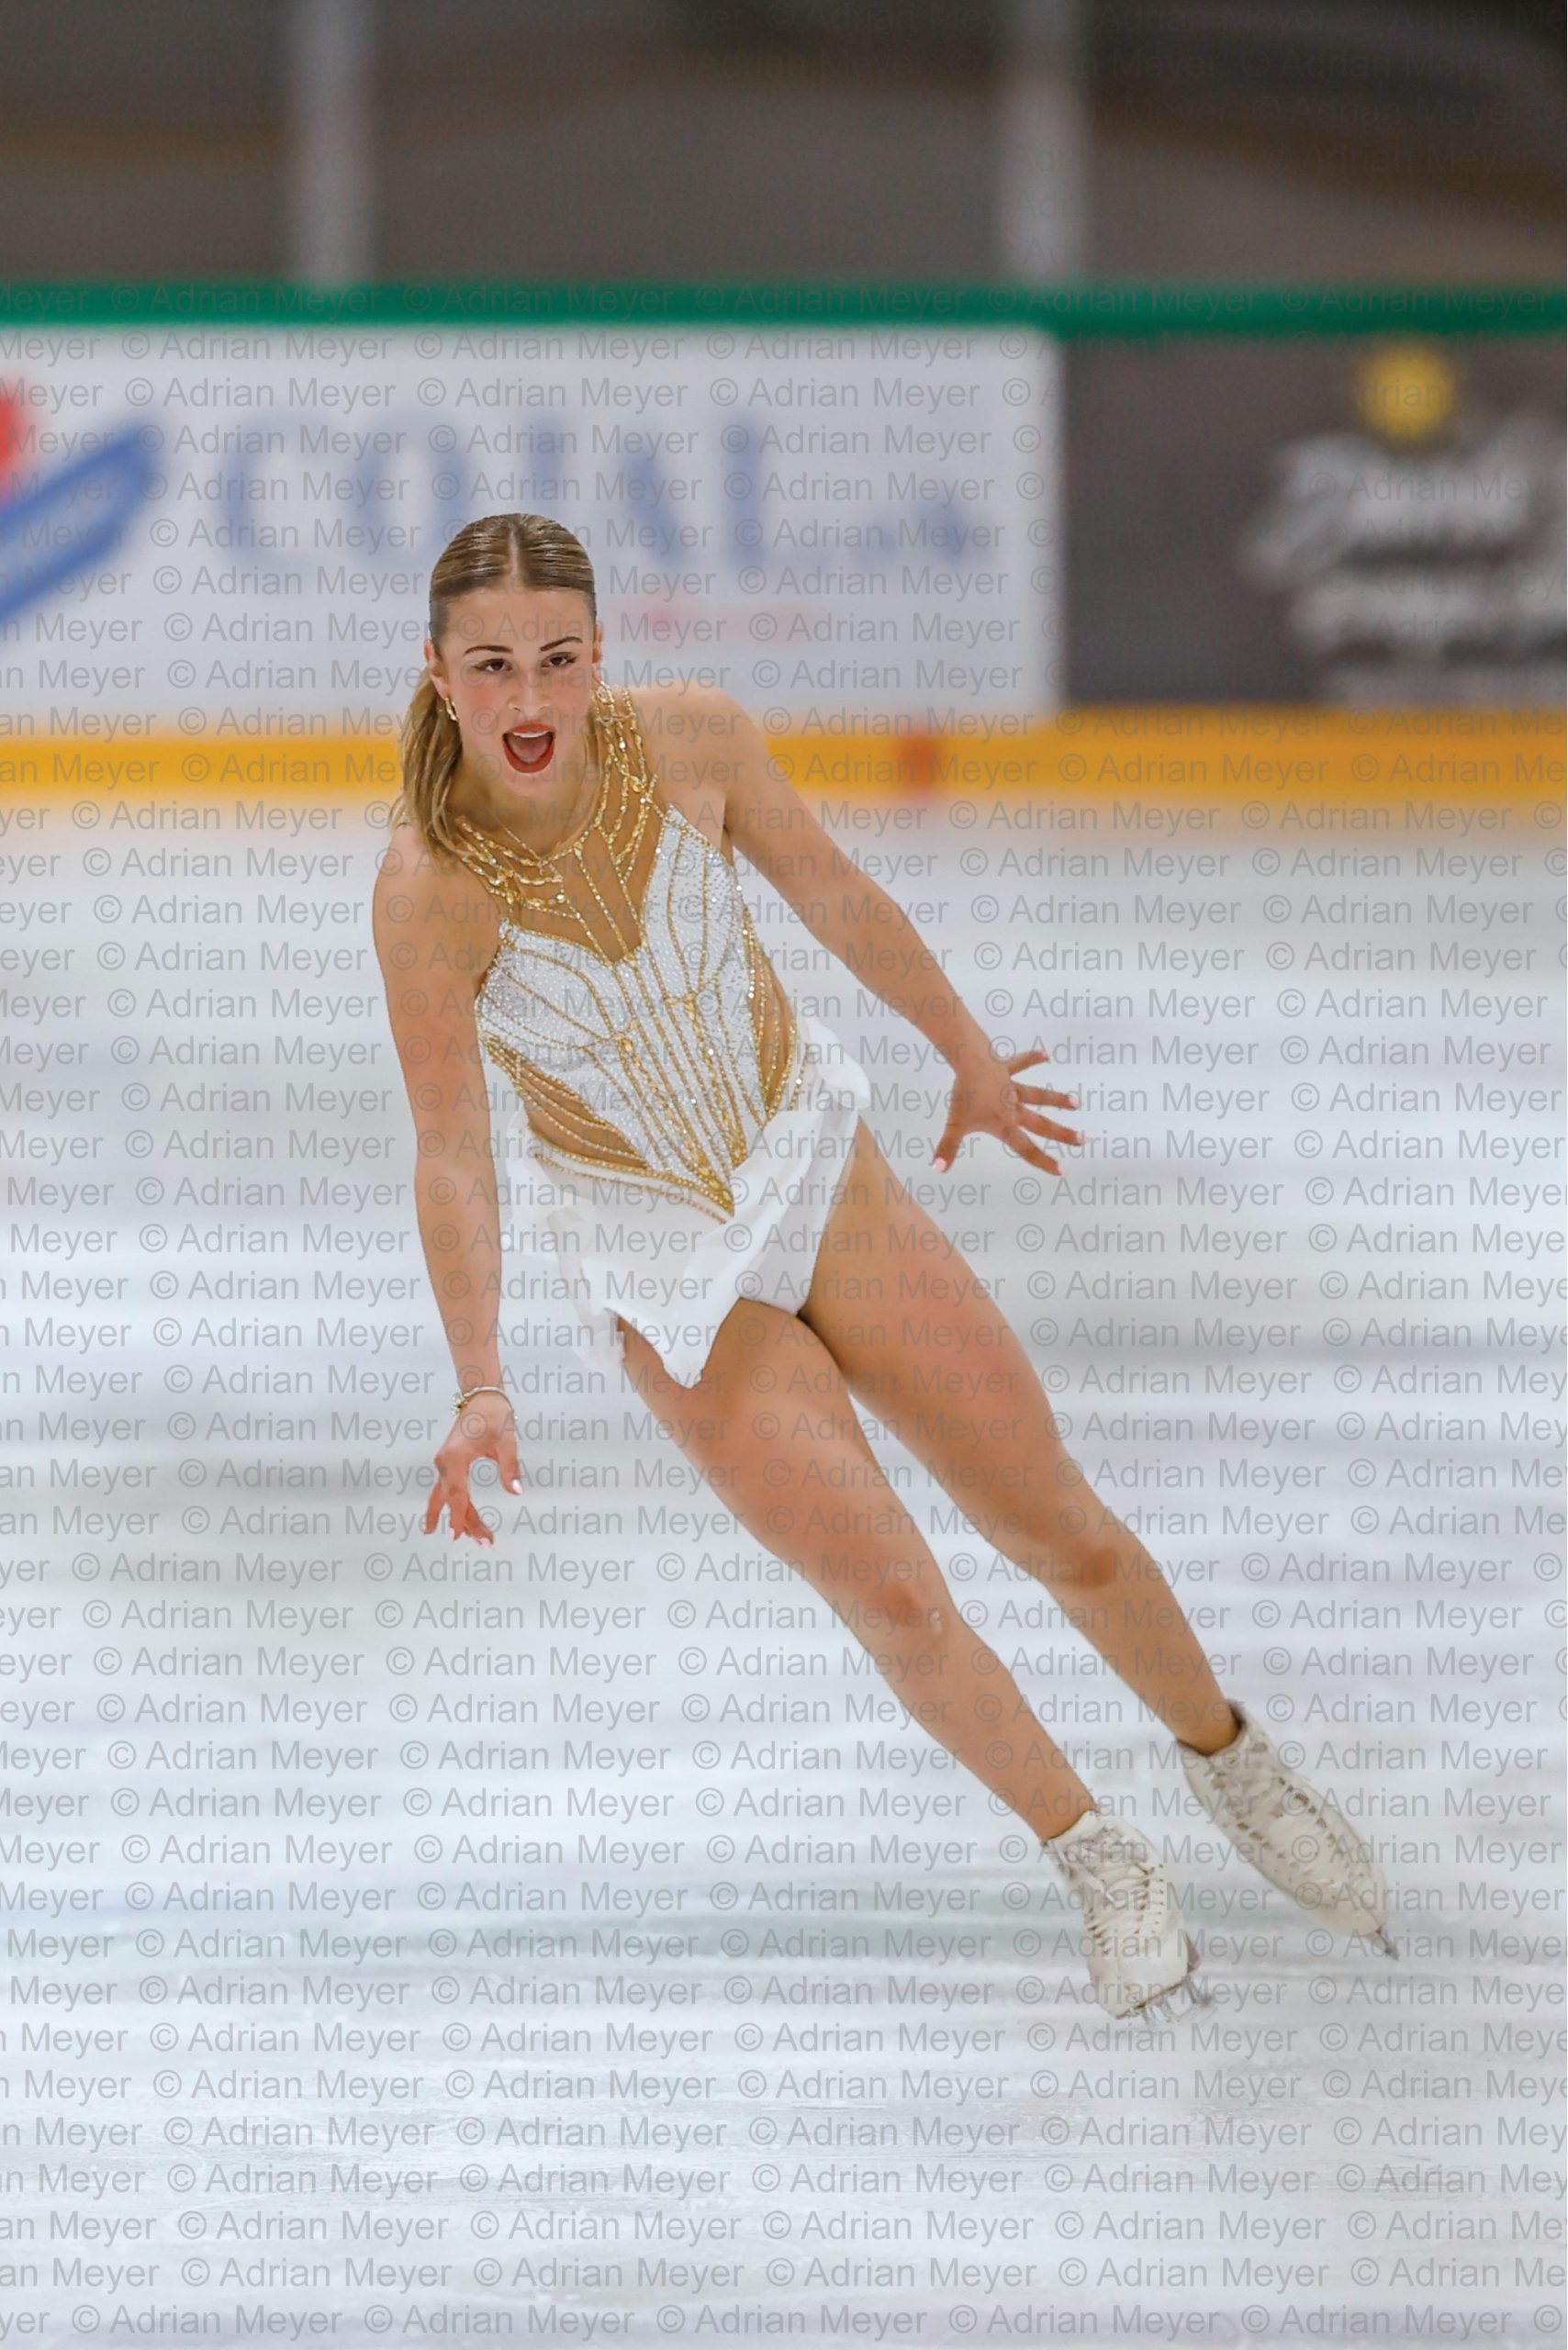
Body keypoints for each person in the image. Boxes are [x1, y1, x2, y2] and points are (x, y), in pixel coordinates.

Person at [372, 511, 1398, 2022]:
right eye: (493, 667)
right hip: (674, 1276)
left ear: (600, 655)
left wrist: (966, 1053)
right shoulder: (426, 885)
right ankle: (1098, 1858)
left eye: (559, 658)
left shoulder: (693, 739)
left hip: (816, 1176)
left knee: (1058, 1525)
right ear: (439, 673)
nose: (530, 699)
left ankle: (1230, 1757)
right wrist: (481, 1380)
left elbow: (837, 893)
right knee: (901, 1600)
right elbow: (453, 1152)